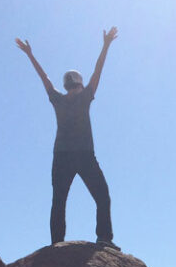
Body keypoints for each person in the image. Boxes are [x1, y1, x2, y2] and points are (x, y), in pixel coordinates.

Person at [15, 28, 120, 249]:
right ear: (80, 83)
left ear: (65, 85)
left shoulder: (57, 99)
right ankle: (104, 238)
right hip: (83, 154)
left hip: (61, 155)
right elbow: (97, 71)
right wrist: (106, 45)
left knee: (59, 200)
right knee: (102, 195)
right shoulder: (85, 97)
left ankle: (56, 245)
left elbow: (43, 77)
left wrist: (29, 54)